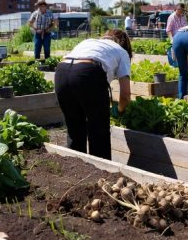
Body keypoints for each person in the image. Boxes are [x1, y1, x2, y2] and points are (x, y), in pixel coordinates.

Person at [55, 29, 132, 160]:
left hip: (61, 72)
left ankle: (77, 170)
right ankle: (102, 173)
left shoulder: (89, 42)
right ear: (124, 43)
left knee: (74, 128)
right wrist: (119, 111)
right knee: (99, 130)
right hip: (87, 73)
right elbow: (125, 94)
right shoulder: (121, 51)